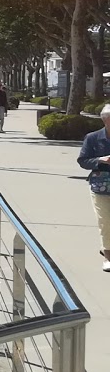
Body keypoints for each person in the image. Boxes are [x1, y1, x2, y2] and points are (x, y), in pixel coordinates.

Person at [76, 106, 110, 273]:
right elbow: (83, 160)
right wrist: (100, 160)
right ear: (105, 120)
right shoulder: (93, 138)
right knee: (105, 221)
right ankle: (108, 256)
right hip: (101, 186)